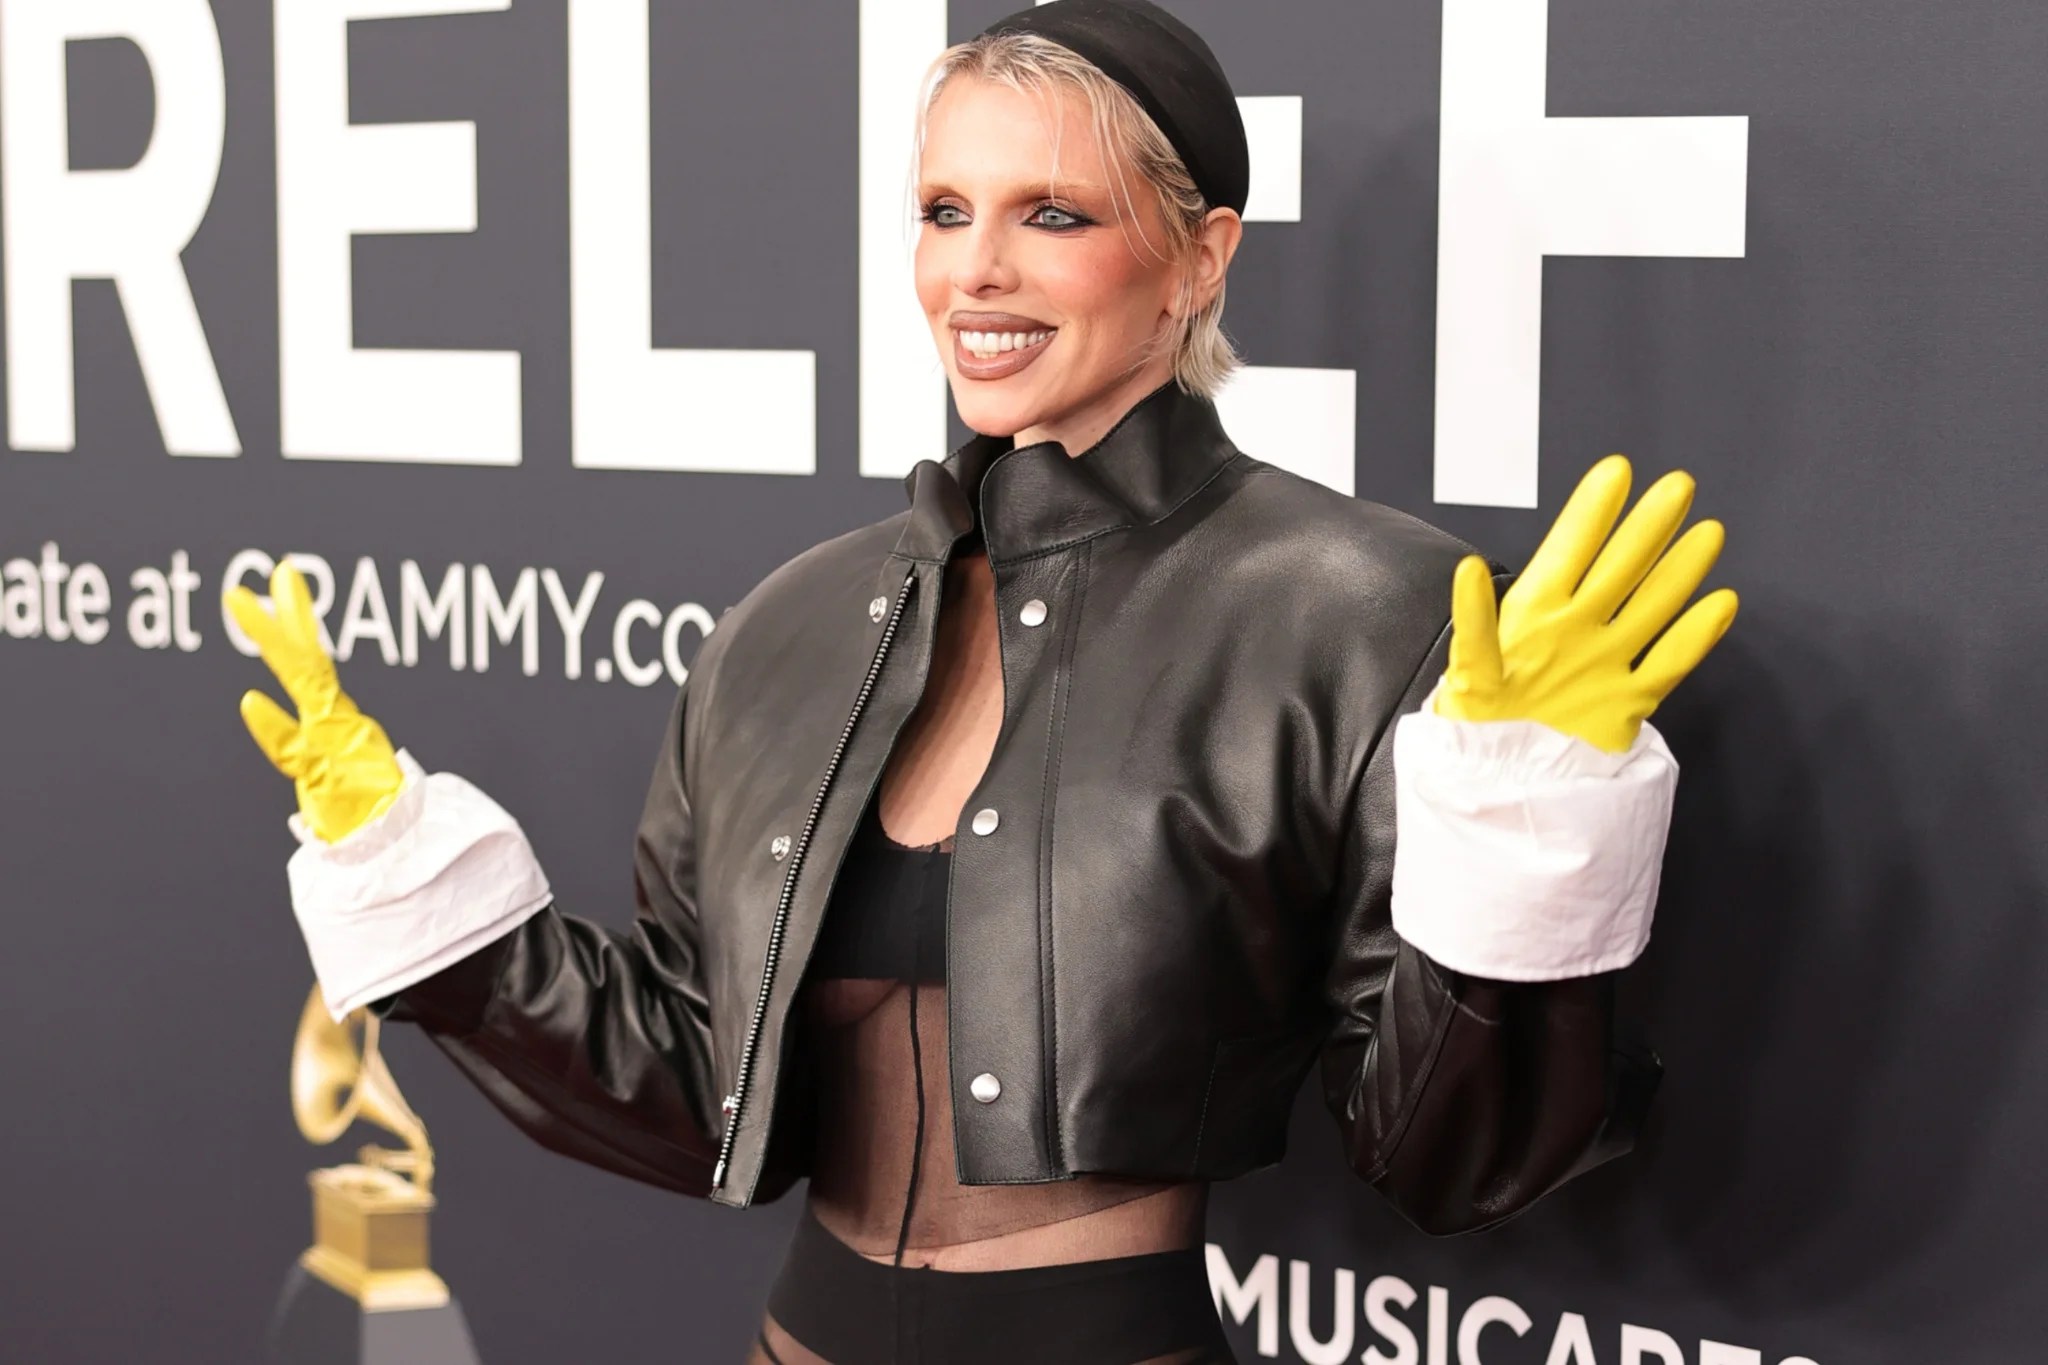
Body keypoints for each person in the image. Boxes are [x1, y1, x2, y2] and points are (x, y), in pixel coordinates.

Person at [226, 2, 1736, 1361]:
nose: (976, 270)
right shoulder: (789, 624)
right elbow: (693, 1081)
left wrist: (1524, 875)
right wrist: (423, 903)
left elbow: (1446, 1163)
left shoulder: (1362, 612)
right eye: (944, 209)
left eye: (1051, 212)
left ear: (1200, 256)